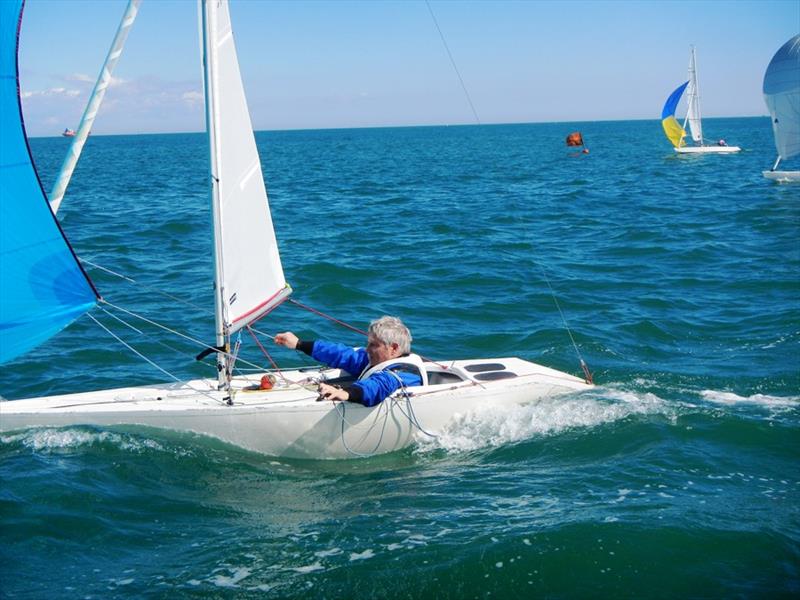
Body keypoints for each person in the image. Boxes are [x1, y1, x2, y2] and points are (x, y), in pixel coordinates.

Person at [274, 316, 422, 407]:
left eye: (374, 345)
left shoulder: (404, 374)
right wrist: (299, 344)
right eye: (368, 343)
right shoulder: (372, 360)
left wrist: (346, 393)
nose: (367, 349)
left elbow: (378, 386)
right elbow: (340, 354)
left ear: (394, 348)